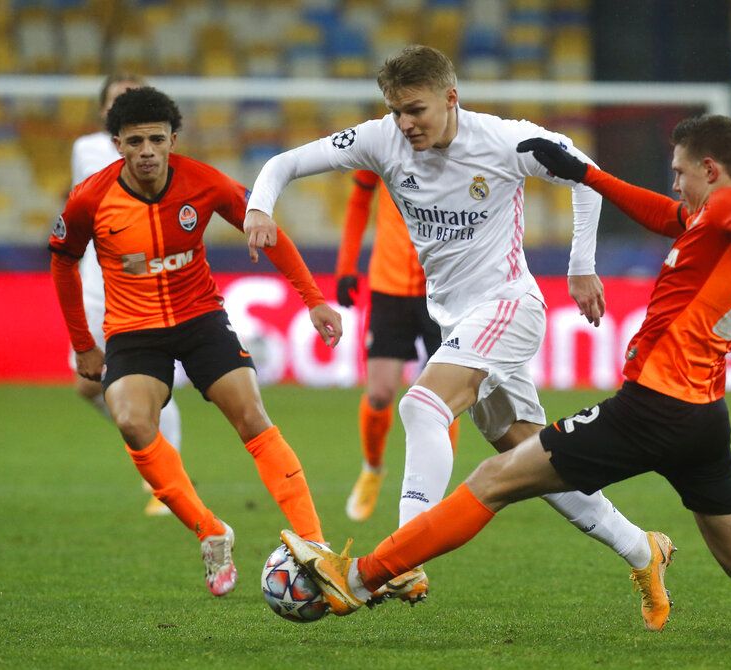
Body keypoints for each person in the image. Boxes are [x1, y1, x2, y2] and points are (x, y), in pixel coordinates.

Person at [279, 114, 731, 649]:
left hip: (650, 409)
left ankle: (363, 576)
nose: (673, 181)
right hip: (702, 419)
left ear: (711, 168)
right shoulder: (711, 217)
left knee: (494, 480)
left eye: (680, 169)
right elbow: (668, 215)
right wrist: (588, 176)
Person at [245, 45, 672, 629]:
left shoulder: (504, 141)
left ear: (451, 98)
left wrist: (581, 264)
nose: (404, 124)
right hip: (457, 316)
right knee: (530, 457)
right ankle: (642, 550)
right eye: (395, 111)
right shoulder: (381, 139)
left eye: (415, 110)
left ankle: (401, 555)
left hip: (508, 305)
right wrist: (258, 207)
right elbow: (283, 164)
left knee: (422, 405)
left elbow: (585, 173)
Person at [49, 87, 342, 597]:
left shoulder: (202, 182)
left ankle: (316, 544)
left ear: (172, 140)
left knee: (251, 415)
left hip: (200, 318)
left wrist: (313, 299)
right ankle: (210, 532)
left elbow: (265, 227)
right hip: (134, 331)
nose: (146, 151)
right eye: (135, 140)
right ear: (117, 143)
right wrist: (82, 344)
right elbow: (62, 261)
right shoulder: (89, 198)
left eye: (156, 140)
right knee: (132, 420)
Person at [70, 73, 181, 517]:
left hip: (138, 277)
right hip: (94, 278)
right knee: (87, 384)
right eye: (121, 99)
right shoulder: (88, 149)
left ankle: (166, 478)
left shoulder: (153, 148)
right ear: (105, 112)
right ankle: (155, 453)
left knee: (149, 383)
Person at [336, 170, 459, 522]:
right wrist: (346, 265)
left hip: (441, 287)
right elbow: (360, 199)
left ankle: (436, 494)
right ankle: (372, 469)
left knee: (443, 397)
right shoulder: (383, 143)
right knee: (379, 393)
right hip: (388, 286)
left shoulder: (457, 146)